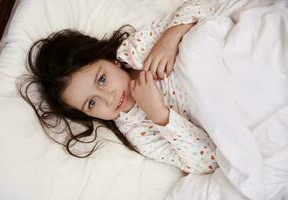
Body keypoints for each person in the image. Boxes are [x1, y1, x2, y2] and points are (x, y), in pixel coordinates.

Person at [17, 0, 218, 174]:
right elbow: (208, 161)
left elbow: (204, 6)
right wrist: (160, 116)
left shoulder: (138, 48)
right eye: (92, 102)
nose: (109, 98)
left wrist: (170, 38)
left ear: (111, 61)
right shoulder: (137, 131)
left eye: (102, 79)